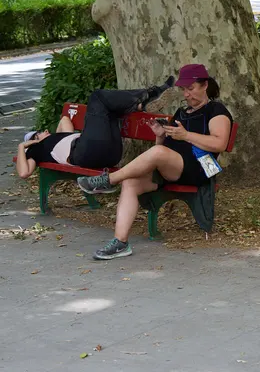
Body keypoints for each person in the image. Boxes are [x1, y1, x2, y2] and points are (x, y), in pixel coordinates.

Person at [77, 64, 233, 260]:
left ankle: (109, 180)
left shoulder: (216, 110)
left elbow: (219, 143)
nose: (186, 94)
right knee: (131, 182)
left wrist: (186, 135)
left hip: (199, 167)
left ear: (205, 85)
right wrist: (160, 136)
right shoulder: (182, 112)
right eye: (183, 89)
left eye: (191, 88)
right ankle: (120, 242)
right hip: (173, 168)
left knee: (157, 153)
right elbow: (164, 149)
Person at [16, 78, 175, 179]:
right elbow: (24, 173)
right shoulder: (37, 150)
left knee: (111, 109)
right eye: (37, 134)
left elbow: (65, 120)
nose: (44, 131)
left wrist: (49, 135)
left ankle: (141, 104)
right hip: (86, 153)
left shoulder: (56, 140)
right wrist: (22, 147)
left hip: (111, 154)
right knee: (97, 97)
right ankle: (146, 96)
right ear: (33, 142)